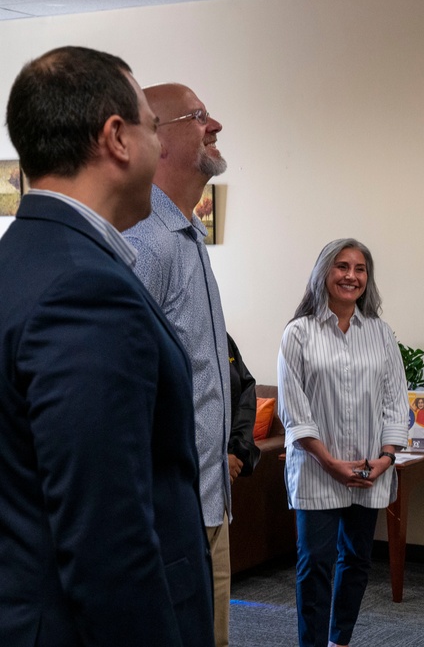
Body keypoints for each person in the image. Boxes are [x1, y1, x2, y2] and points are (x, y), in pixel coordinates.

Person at [0, 46, 213, 645]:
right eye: (152, 127)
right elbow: (107, 538)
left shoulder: (21, 259)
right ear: (117, 138)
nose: (157, 144)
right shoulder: (84, 288)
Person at [123, 82, 234, 647]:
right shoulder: (145, 242)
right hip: (168, 516)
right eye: (198, 116)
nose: (215, 125)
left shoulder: (188, 235)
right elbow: (125, 387)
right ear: (158, 140)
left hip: (208, 503)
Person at [277, 238, 409, 647]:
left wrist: (386, 458)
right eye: (342, 266)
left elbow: (395, 400)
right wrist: (330, 462)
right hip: (317, 469)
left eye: (360, 269)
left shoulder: (380, 334)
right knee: (315, 562)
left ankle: (340, 640)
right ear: (324, 273)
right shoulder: (299, 333)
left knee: (356, 559)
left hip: (369, 469)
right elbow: (294, 410)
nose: (351, 276)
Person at [228, 333, 261, 480]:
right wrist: (216, 460)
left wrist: (236, 449)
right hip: (188, 470)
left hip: (229, 466)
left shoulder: (223, 338)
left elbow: (246, 386)